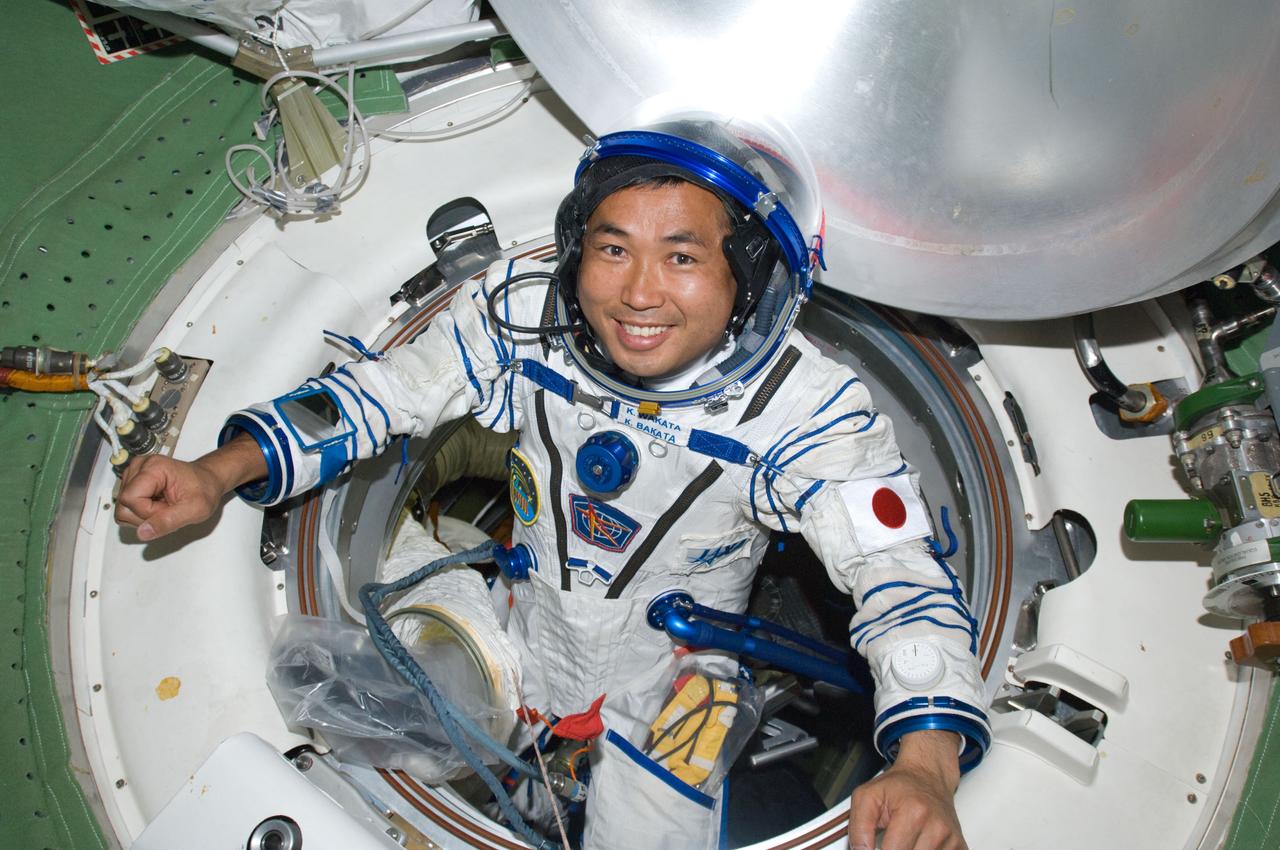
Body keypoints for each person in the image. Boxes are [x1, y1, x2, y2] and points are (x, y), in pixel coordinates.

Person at [115, 108, 988, 850]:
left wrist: (924, 762)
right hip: (520, 622)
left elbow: (898, 574)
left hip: (689, 679)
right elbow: (387, 393)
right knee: (340, 712)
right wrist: (217, 472)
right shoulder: (526, 316)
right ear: (580, 249)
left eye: (683, 257)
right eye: (614, 249)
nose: (638, 293)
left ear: (746, 278)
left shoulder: (807, 410)